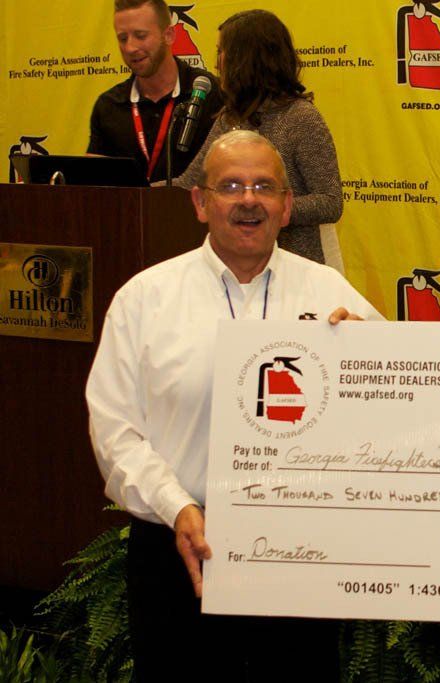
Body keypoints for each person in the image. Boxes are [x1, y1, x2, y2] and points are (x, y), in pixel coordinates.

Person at [87, 130, 381, 680]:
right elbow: (116, 431)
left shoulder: (332, 294)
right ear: (201, 202)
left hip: (300, 554)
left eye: (265, 186)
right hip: (178, 552)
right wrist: (177, 507)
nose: (249, 199)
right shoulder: (144, 299)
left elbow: (394, 412)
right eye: (231, 186)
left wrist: (370, 359)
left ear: (287, 206)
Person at [173, 9, 341, 264]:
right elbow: (190, 183)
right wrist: (138, 191)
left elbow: (330, 202)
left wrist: (265, 206)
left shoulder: (301, 118)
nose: (217, 63)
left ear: (246, 58)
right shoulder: (229, 119)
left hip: (298, 269)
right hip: (240, 265)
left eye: (222, 51)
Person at [88, 0, 223, 183]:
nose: (130, 48)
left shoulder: (210, 94)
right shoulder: (108, 105)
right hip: (129, 210)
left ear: (168, 35)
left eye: (140, 36)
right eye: (123, 38)